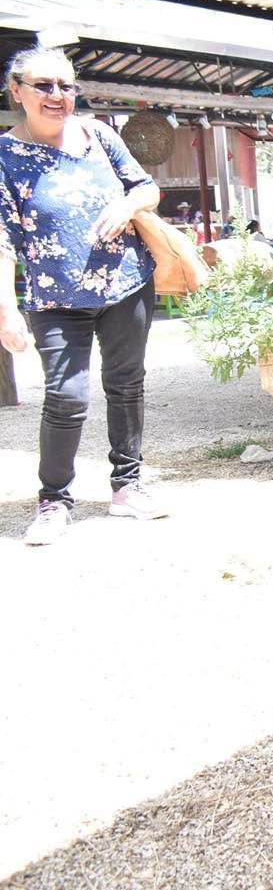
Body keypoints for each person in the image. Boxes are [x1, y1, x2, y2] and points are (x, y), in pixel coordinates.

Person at [0, 45, 167, 545]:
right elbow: (3, 238)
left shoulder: (100, 135)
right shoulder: (4, 156)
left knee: (126, 384)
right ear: (17, 92)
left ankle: (127, 486)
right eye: (43, 86)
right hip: (54, 297)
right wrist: (6, 309)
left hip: (126, 283)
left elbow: (147, 186)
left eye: (66, 86)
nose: (57, 96)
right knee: (66, 396)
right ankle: (54, 499)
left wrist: (128, 204)